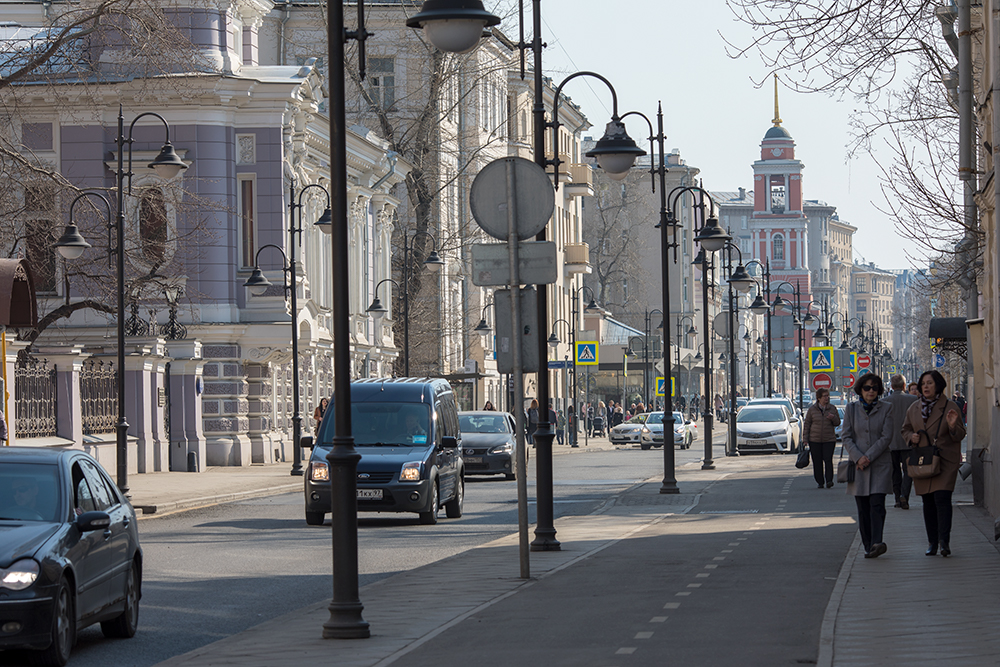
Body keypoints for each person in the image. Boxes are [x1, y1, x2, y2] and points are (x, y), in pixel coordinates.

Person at [901, 370, 966, 557]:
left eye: (929, 383)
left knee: (942, 499)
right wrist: (910, 437)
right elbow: (904, 429)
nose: (926, 387)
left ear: (938, 385)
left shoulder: (950, 406)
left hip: (945, 460)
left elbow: (960, 435)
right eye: (923, 384)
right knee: (928, 501)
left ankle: (944, 541)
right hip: (922, 460)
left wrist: (953, 426)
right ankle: (932, 542)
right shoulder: (914, 408)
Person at [842, 374, 895, 559]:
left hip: (880, 464)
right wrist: (858, 458)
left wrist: (868, 457)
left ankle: (877, 542)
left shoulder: (887, 408)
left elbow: (886, 437)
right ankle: (867, 545)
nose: (871, 391)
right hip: (859, 467)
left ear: (879, 390)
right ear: (860, 390)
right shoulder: (851, 409)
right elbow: (846, 436)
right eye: (867, 388)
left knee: (877, 504)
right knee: (863, 508)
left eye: (874, 387)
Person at [885, 374, 918, 509]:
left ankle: (898, 498)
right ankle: (905, 495)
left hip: (890, 442)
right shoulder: (914, 400)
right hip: (908, 441)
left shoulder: (885, 402)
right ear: (905, 386)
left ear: (892, 387)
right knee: (908, 471)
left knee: (895, 472)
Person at [803, 387, 841, 488]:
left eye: (827, 396)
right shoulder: (812, 410)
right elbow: (807, 425)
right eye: (824, 396)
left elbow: (837, 423)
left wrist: (833, 418)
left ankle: (829, 480)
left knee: (828, 460)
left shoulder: (832, 408)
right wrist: (805, 439)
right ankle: (820, 481)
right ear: (819, 398)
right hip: (814, 440)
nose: (827, 398)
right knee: (817, 461)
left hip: (829, 439)